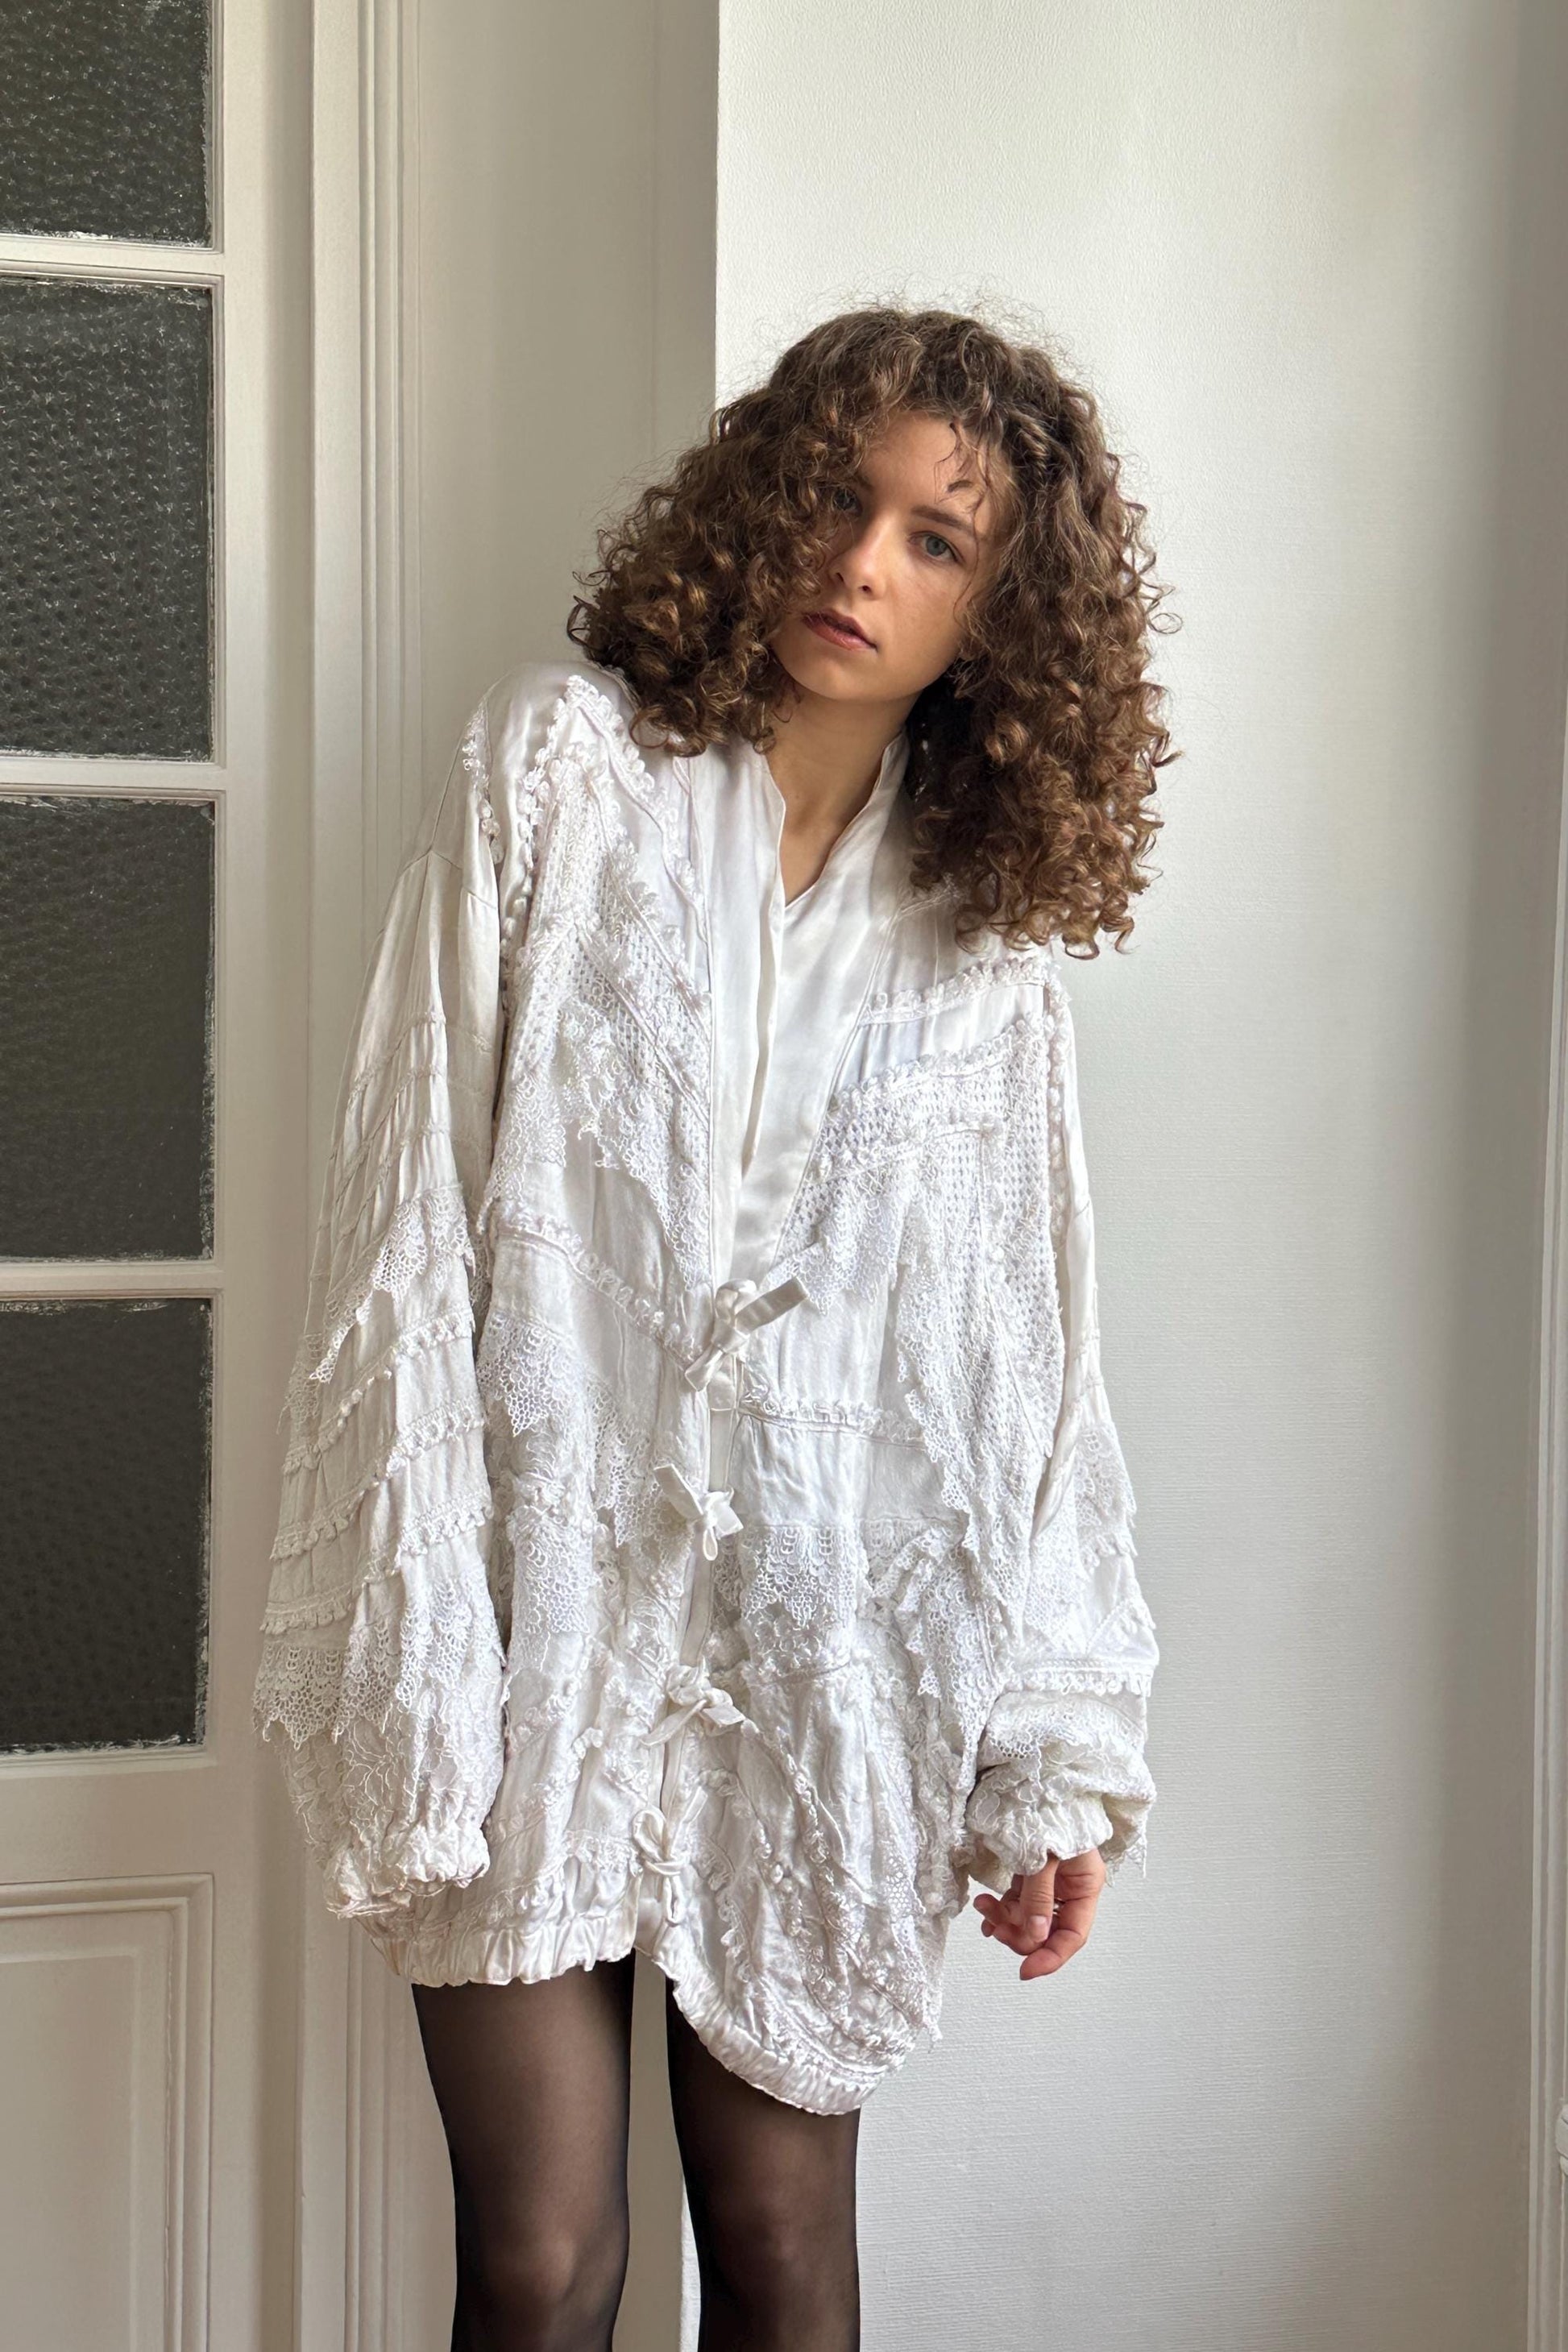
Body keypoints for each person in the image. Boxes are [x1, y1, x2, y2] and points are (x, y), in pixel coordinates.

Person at [252, 302, 1177, 2350]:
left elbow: (1024, 1360)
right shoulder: (557, 769)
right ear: (762, 502)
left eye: (939, 541)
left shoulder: (983, 927)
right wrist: (421, 1646)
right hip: (536, 1629)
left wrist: (1047, 1752)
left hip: (816, 1672)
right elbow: (404, 1229)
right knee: (542, 2254)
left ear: (1001, 614)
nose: (865, 564)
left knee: (776, 2253)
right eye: (841, 502)